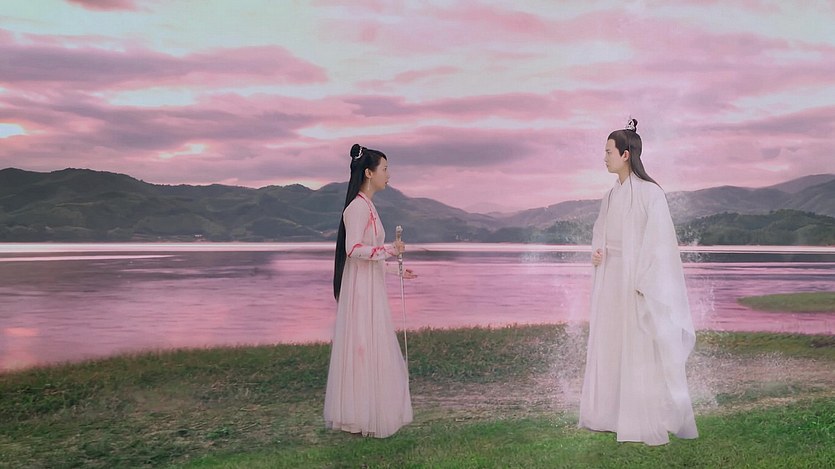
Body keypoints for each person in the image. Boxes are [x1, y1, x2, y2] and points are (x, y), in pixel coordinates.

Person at [578, 118, 699, 445]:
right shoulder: (609, 196)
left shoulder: (650, 193)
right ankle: (609, 414)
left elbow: (660, 243)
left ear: (626, 154)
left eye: (609, 152)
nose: (604, 158)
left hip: (636, 281)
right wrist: (598, 253)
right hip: (611, 279)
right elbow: (601, 234)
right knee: (611, 342)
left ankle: (642, 416)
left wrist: (644, 279)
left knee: (639, 344)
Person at [324, 143, 415, 438]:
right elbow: (353, 250)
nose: (389, 174)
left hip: (370, 286)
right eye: (385, 169)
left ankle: (366, 411)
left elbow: (368, 255)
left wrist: (395, 269)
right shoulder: (356, 209)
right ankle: (358, 414)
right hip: (361, 292)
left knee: (370, 345)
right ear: (369, 173)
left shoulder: (369, 207)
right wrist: (389, 250)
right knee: (362, 346)